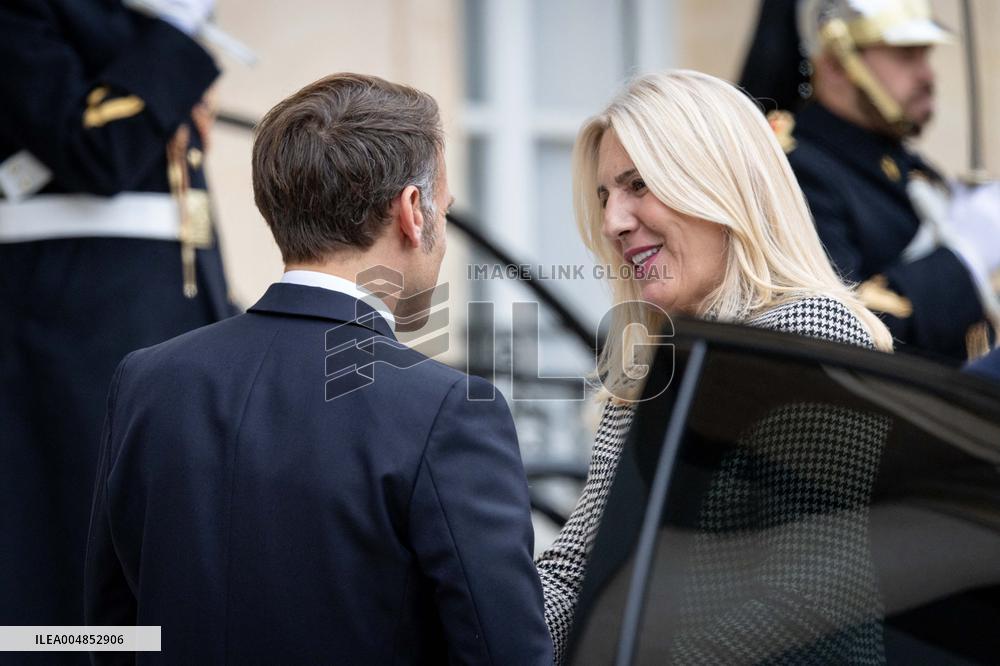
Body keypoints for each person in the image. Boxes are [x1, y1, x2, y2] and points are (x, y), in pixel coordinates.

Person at [84, 73, 553, 664]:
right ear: (413, 211)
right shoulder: (446, 411)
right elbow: (504, 651)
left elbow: (110, 630)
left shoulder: (146, 382)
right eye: (444, 210)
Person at [535, 69, 894, 664]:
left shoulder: (813, 331)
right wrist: (473, 624)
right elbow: (578, 567)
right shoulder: (652, 361)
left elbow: (799, 598)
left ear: (718, 186)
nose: (612, 223)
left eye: (638, 185)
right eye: (605, 197)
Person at [0, 0, 235, 645]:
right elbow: (97, 149)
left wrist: (220, 317)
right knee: (76, 555)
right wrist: (173, 32)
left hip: (166, 324)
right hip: (74, 333)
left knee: (170, 545)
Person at [739, 0, 1000, 363]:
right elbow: (844, 329)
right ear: (834, 64)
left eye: (925, 55)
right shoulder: (796, 172)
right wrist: (962, 260)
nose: (927, 75)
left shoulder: (906, 166)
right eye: (906, 55)